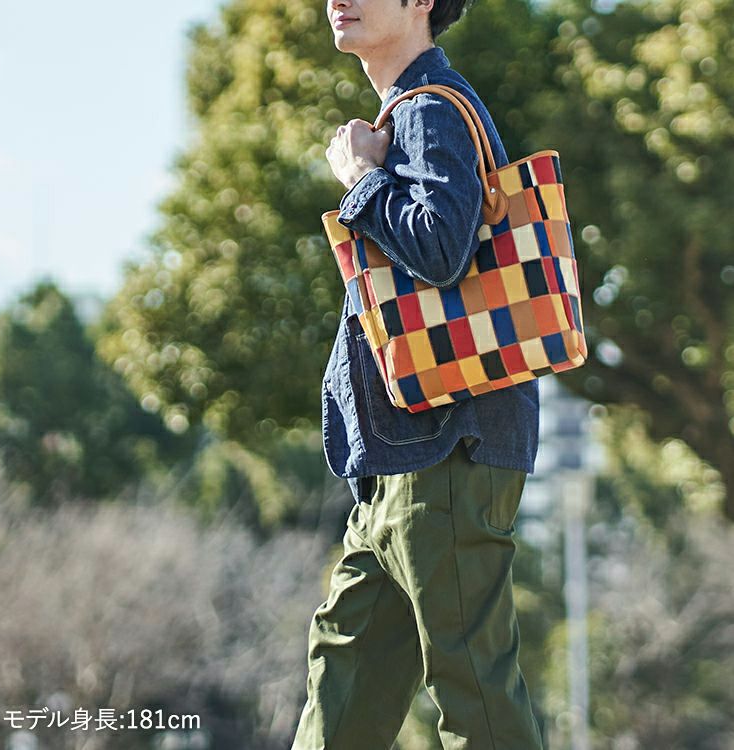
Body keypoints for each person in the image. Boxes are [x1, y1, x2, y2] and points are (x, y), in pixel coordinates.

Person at [291, 0, 543, 748]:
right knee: (343, 687)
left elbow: (441, 249)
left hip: (447, 450)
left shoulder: (430, 110)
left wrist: (361, 179)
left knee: (476, 699)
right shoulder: (408, 112)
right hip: (400, 463)